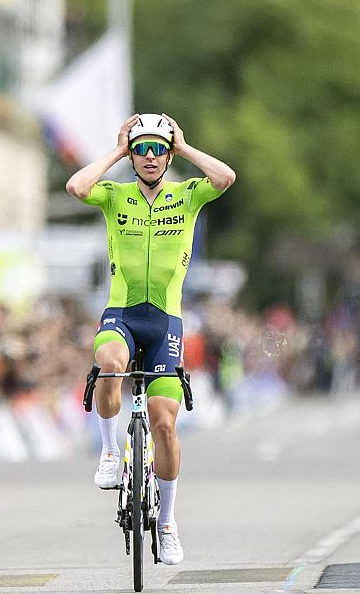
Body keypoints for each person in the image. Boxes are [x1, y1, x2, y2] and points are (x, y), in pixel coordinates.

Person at [65, 112, 236, 566]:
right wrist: (116, 151)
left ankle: (167, 522)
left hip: (166, 322)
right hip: (121, 312)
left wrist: (184, 147)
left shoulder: (187, 196)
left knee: (164, 423)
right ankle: (107, 451)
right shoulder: (114, 194)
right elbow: (77, 188)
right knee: (109, 365)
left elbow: (225, 176)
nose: (150, 156)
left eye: (158, 148)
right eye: (142, 148)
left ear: (168, 151)